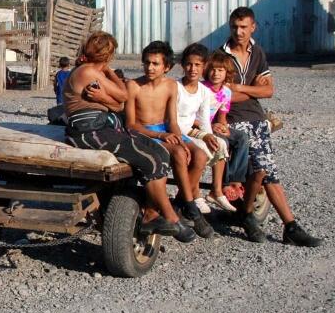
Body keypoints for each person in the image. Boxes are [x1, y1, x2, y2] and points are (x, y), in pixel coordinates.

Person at [64, 32, 194, 243]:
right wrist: (109, 89)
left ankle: (151, 213)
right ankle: (170, 217)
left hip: (104, 128)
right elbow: (123, 96)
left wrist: (107, 82)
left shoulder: (95, 71)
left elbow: (120, 104)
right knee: (150, 159)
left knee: (160, 152)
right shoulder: (88, 71)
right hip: (90, 132)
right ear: (109, 55)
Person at [223, 6, 322, 246]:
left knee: (266, 172)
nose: (239, 32)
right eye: (235, 27)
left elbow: (268, 91)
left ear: (253, 27)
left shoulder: (257, 53)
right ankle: (282, 224)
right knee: (261, 171)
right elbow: (222, 96)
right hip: (233, 120)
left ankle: (279, 223)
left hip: (257, 119)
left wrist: (240, 88)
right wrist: (253, 89)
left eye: (244, 27)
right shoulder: (220, 56)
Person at [125, 41, 213, 238]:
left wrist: (180, 139)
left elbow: (172, 121)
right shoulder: (134, 86)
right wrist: (161, 136)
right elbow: (131, 124)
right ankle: (192, 208)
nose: (150, 67)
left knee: (199, 155)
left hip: (164, 129)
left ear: (167, 67)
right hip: (144, 132)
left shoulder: (171, 86)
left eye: (155, 64)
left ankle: (181, 202)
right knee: (179, 154)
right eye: (147, 63)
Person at [175, 43, 226, 215]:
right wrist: (200, 137)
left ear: (204, 66)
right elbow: (172, 120)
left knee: (219, 144)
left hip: (190, 130)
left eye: (197, 65)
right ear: (183, 65)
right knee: (200, 152)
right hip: (174, 130)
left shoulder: (204, 91)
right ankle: (188, 198)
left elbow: (204, 120)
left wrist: (208, 136)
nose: (193, 69)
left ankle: (211, 192)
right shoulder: (175, 87)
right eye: (189, 64)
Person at [202, 50, 249, 211]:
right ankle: (225, 184)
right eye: (213, 70)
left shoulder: (226, 92)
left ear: (226, 73)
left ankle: (235, 179)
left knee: (241, 138)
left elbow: (222, 115)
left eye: (220, 70)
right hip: (201, 126)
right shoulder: (202, 89)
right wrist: (212, 127)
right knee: (224, 142)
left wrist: (224, 127)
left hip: (214, 125)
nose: (216, 73)